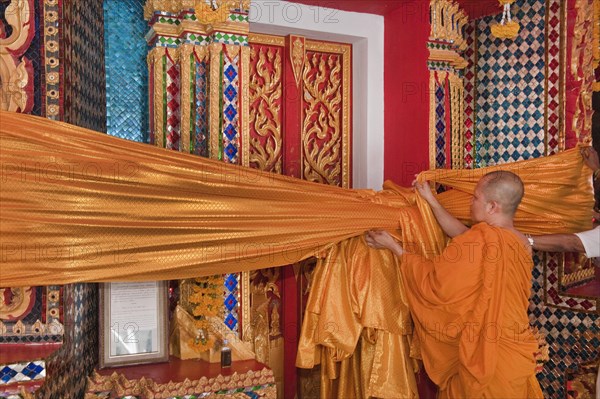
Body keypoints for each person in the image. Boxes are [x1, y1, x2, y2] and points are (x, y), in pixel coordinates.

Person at [366, 171, 544, 398]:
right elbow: (462, 234)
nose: (470, 202)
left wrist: (395, 248)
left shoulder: (481, 240)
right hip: (512, 357)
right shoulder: (521, 242)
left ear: (492, 207)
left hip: (484, 359)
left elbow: (434, 285)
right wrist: (431, 200)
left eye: (475, 198)